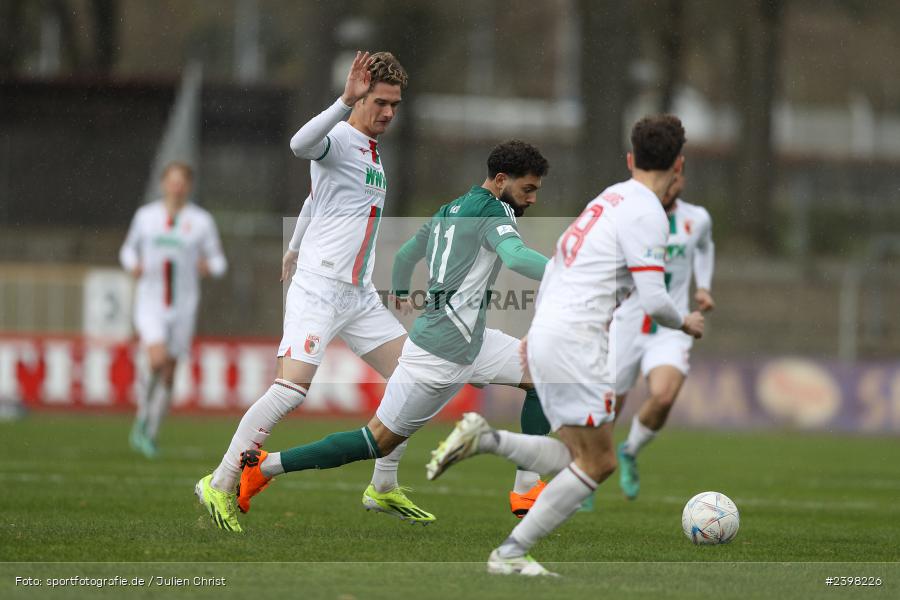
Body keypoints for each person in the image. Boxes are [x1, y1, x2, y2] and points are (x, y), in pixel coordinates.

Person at [425, 115, 704, 576]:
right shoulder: (648, 213)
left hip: (553, 333)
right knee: (597, 462)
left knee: (585, 455)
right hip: (577, 341)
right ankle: (509, 546)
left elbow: (560, 265)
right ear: (678, 165)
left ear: (632, 159)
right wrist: (686, 321)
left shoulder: (608, 199)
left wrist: (538, 338)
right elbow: (656, 300)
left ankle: (491, 451)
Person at [235, 141, 551, 531]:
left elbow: (405, 256)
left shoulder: (449, 209)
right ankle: (265, 466)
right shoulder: (496, 210)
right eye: (528, 189)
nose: (533, 199)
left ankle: (526, 488)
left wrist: (402, 290)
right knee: (376, 440)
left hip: (470, 340)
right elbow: (517, 257)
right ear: (502, 180)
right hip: (440, 354)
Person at [195, 51, 410, 532]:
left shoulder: (372, 150)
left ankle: (384, 486)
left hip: (358, 295)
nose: (389, 112)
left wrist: (292, 245)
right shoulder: (337, 135)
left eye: (395, 104)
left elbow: (318, 197)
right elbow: (298, 145)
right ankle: (221, 480)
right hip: (321, 285)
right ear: (360, 97)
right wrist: (342, 102)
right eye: (380, 102)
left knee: (414, 378)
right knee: (291, 390)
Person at [612, 168, 715, 500]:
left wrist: (705, 287)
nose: (670, 185)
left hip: (672, 326)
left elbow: (704, 248)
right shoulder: (633, 215)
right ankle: (587, 466)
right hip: (627, 322)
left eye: (675, 178)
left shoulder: (696, 219)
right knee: (609, 403)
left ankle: (630, 450)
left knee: (664, 396)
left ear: (682, 179)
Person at [119, 162, 227, 458]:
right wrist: (133, 265)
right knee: (156, 361)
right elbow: (127, 250)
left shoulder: (201, 221)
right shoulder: (146, 217)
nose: (177, 187)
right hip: (151, 303)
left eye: (182, 182)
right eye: (172, 181)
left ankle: (150, 432)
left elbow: (219, 261)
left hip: (183, 307)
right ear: (163, 183)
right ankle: (142, 417)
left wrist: (209, 266)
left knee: (169, 373)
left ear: (188, 186)